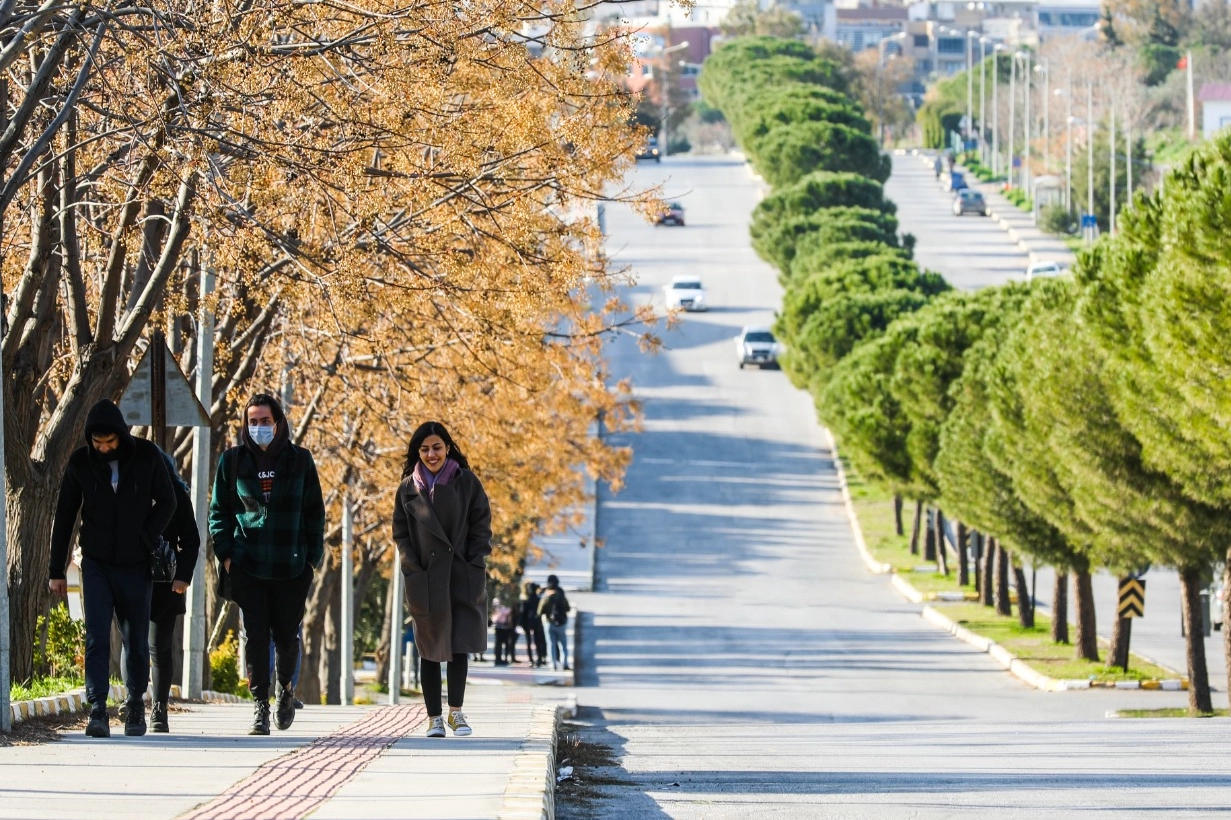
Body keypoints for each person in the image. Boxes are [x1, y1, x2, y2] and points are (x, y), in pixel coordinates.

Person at [48, 399, 177, 738]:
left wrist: (146, 536)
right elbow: (64, 517)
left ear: (120, 435)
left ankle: (135, 703)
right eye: (97, 442)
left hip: (136, 565)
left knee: (135, 638)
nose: (104, 448)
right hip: (97, 564)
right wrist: (55, 571)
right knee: (96, 637)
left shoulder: (147, 456)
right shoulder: (80, 463)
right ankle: (97, 709)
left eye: (110, 442)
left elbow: (168, 501)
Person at [209, 393, 324, 736]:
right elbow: (219, 513)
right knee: (255, 637)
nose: (259, 427)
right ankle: (259, 704)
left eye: (265, 421)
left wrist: (312, 560)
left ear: (279, 424)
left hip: (291, 567)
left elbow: (314, 513)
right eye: (253, 421)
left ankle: (285, 689)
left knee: (287, 637)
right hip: (248, 566)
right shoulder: (231, 461)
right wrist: (227, 555)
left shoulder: (300, 461)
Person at [392, 421, 492, 738]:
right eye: (424, 449)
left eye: (437, 447)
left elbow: (482, 525)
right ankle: (434, 717)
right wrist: (411, 565)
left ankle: (456, 713)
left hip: (461, 574)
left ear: (447, 447)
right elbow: (401, 533)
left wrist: (475, 560)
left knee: (459, 645)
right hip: (426, 577)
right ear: (417, 453)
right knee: (430, 647)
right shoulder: (409, 488)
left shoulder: (467, 482)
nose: (431, 454)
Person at [147, 450, 201, 733]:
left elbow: (191, 540)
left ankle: (159, 708)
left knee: (159, 646)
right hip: (131, 579)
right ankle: (133, 701)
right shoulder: (133, 492)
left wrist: (183, 577)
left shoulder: (178, 496)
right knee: (131, 644)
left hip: (166, 585)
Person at [537, 574, 570, 671]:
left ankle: (553, 664)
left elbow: (539, 611)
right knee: (563, 644)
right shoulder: (561, 594)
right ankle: (565, 663)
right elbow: (567, 608)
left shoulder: (546, 595)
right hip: (562, 623)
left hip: (549, 623)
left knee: (551, 644)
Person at [519, 581, 545, 667]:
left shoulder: (526, 600)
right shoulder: (539, 599)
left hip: (527, 622)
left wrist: (520, 623)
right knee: (538, 641)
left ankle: (531, 660)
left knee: (529, 642)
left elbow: (522, 613)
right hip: (537, 622)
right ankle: (539, 659)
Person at [491, 597, 516, 666]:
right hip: (500, 625)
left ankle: (504, 658)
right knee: (499, 643)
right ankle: (498, 659)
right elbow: (504, 612)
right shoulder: (497, 601)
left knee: (504, 643)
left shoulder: (504, 600)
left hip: (504, 626)